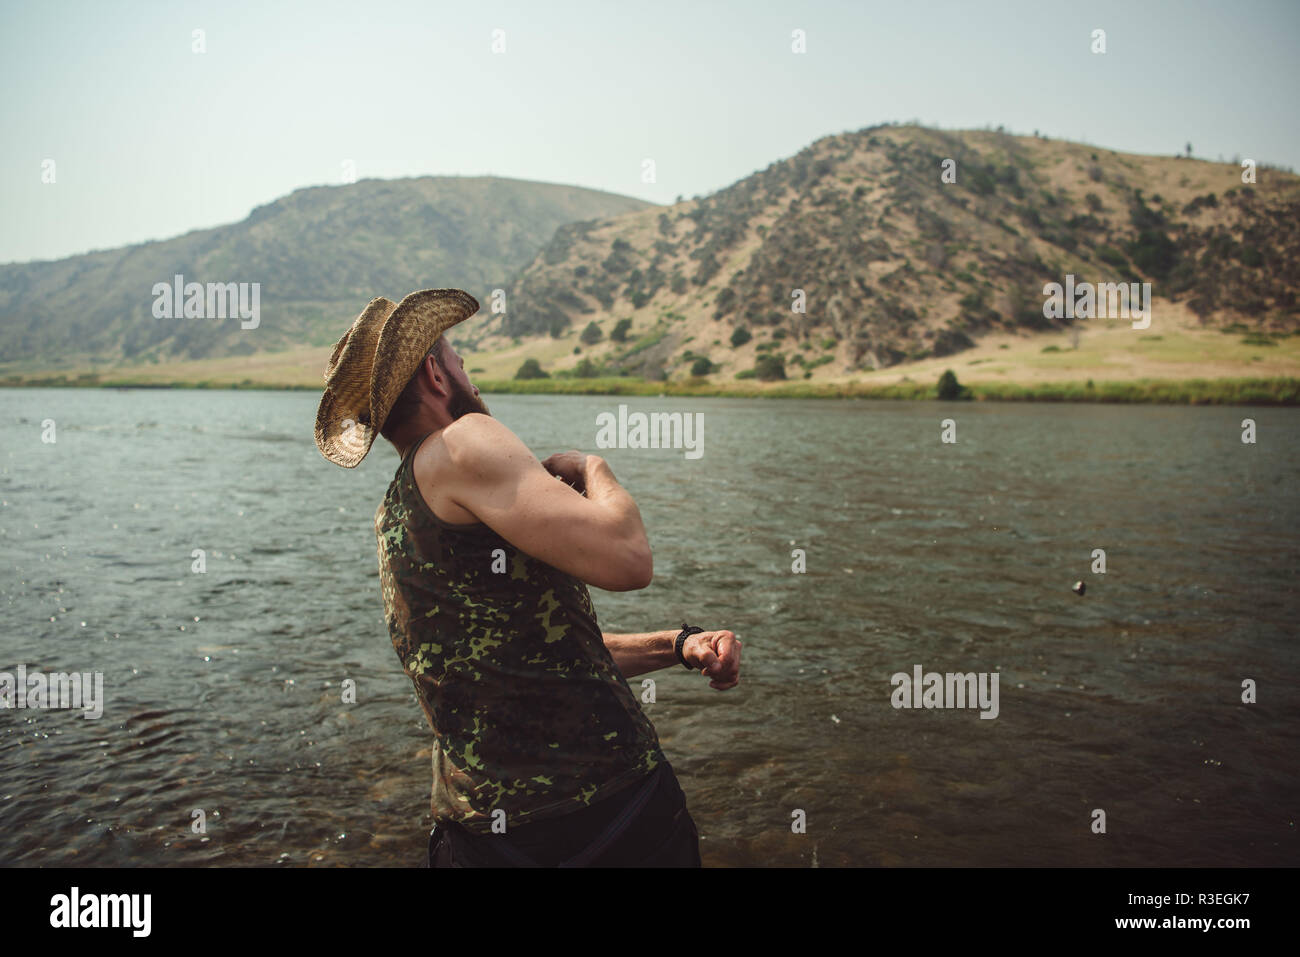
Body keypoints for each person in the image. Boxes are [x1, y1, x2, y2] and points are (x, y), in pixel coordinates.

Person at [314, 288, 742, 867]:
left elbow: (527, 660)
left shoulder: (396, 511)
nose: (468, 370)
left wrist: (677, 645)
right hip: (603, 816)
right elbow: (629, 558)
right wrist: (595, 468)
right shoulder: (465, 441)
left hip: (479, 839)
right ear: (437, 374)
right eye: (459, 358)